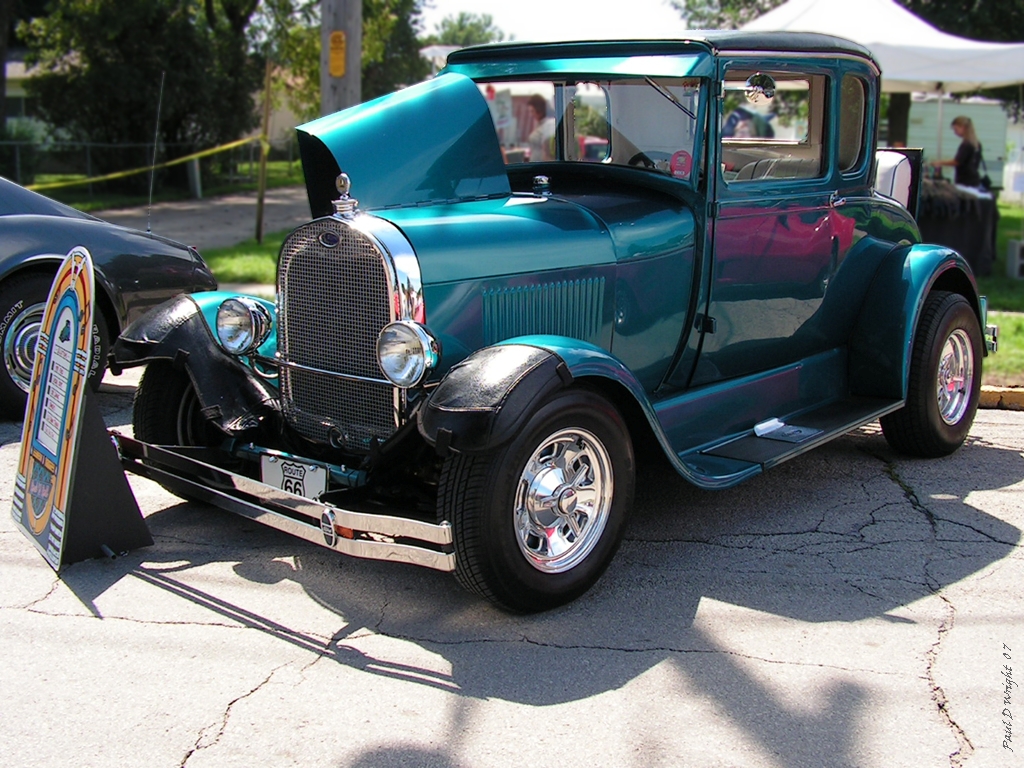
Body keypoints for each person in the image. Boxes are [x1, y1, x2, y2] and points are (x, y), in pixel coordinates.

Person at [931, 115, 983, 187]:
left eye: (956, 129)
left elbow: (957, 161)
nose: (955, 132)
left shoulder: (966, 145)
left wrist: (939, 162)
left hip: (964, 181)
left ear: (963, 127)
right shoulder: (977, 144)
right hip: (974, 179)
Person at [527, 94, 556, 162]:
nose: (531, 115)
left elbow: (549, 149)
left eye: (532, 111)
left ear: (539, 109)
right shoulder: (540, 125)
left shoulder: (549, 124)